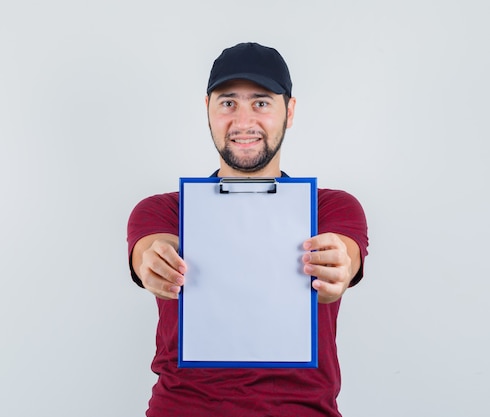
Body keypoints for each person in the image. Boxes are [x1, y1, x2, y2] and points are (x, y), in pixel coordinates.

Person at [126, 42, 369, 417]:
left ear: (288, 111)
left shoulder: (330, 208)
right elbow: (153, 248)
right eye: (227, 103)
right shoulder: (164, 210)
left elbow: (344, 253)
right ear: (206, 109)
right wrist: (155, 263)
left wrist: (337, 265)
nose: (243, 122)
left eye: (261, 102)